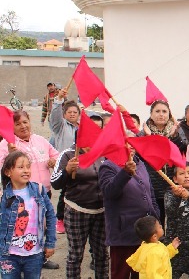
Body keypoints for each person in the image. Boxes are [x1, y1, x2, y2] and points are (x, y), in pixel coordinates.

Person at [0, 110, 61, 270]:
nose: (23, 126)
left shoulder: (40, 140)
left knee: (43, 225)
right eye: (18, 123)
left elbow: (56, 155)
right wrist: (9, 157)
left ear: (30, 122)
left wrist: (53, 160)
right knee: (23, 228)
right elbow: (2, 168)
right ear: (11, 127)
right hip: (20, 196)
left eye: (25, 122)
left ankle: (41, 258)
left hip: (43, 192)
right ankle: (17, 261)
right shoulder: (7, 144)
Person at [51, 139, 109, 279]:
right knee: (75, 254)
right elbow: (55, 183)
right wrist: (67, 170)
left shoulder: (102, 153)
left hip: (100, 211)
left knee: (101, 254)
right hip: (76, 211)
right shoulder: (68, 155)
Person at [98, 148, 160, 278]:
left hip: (145, 232)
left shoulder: (140, 163)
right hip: (124, 233)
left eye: (133, 142)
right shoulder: (108, 166)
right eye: (127, 142)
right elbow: (109, 192)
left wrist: (155, 215)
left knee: (144, 273)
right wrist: (125, 172)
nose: (130, 146)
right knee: (121, 273)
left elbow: (150, 192)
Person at [0, 151, 57, 278]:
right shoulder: (3, 197)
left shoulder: (39, 190)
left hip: (34, 254)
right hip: (8, 255)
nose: (26, 170)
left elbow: (51, 217)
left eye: (28, 166)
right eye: (21, 167)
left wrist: (50, 243)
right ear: (8, 172)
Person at [140, 100, 185, 224]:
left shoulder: (176, 131)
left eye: (164, 111)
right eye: (157, 111)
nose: (161, 114)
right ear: (151, 114)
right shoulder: (143, 133)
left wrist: (173, 136)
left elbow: (182, 149)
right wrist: (150, 138)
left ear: (169, 114)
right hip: (152, 183)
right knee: (156, 222)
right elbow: (141, 156)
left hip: (172, 183)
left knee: (174, 222)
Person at [49, 88, 80, 235]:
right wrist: (58, 100)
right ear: (64, 114)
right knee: (64, 190)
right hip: (64, 163)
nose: (72, 114)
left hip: (80, 163)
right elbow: (54, 117)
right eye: (69, 112)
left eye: (75, 112)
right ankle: (60, 218)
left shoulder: (82, 127)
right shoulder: (60, 127)